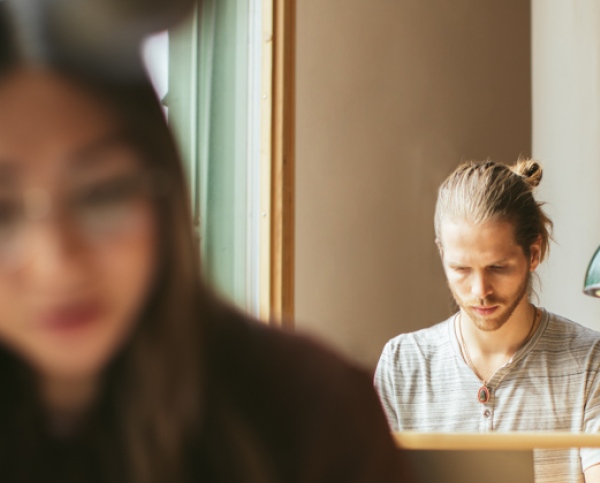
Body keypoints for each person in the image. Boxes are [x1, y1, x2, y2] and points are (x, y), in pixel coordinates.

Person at [0, 10, 412, 483]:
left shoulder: (311, 410)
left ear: (165, 187)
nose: (55, 263)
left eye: (102, 195)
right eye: (3, 212)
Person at [374, 159, 600, 483]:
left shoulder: (595, 362)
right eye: (461, 269)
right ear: (442, 255)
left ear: (534, 253)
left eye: (497, 267)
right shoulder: (402, 362)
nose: (480, 291)